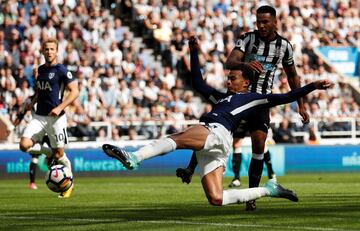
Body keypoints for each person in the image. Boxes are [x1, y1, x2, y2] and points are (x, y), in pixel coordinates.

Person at [102, 36, 333, 207]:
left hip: (217, 131)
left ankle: (135, 157)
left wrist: (312, 86)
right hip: (215, 144)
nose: (229, 81)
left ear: (245, 83)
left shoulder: (254, 98)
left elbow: (286, 96)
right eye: (228, 78)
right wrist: (193, 52)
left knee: (177, 138)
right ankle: (268, 190)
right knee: (217, 198)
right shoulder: (222, 97)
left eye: (233, 78)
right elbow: (198, 84)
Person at [176, 5, 309, 210]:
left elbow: (292, 76)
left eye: (266, 22)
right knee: (215, 130)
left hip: (260, 102)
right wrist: (247, 63)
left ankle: (251, 198)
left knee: (258, 146)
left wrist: (301, 105)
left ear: (275, 22)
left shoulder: (284, 46)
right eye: (259, 22)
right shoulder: (248, 39)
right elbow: (230, 61)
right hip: (238, 99)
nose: (262, 26)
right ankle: (191, 168)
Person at [13, 38, 79, 198]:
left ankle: (69, 185)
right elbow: (39, 93)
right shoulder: (40, 70)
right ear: (42, 51)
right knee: (24, 145)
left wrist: (60, 107)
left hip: (57, 118)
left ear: (56, 51)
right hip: (39, 116)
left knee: (60, 155)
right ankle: (48, 152)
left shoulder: (62, 70)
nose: (49, 52)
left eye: (52, 49)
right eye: (46, 49)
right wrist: (27, 108)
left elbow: (75, 91)